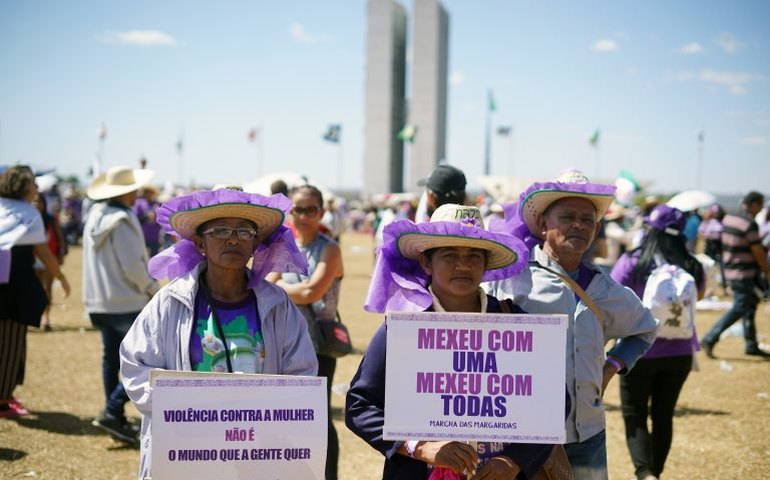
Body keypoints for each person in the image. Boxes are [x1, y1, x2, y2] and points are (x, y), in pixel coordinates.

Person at [346, 204, 559, 480]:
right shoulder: (404, 329)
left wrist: (515, 460)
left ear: (485, 263)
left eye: (474, 255)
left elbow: (554, 401)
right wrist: (419, 447)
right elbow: (360, 405)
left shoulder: (515, 324)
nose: (463, 265)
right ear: (426, 262)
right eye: (449, 255)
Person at [120, 186, 318, 480]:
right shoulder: (169, 301)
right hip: (188, 455)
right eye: (220, 230)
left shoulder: (278, 306)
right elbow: (135, 368)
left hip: (257, 457)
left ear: (255, 245)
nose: (233, 238)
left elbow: (302, 376)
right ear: (200, 243)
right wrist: (187, 407)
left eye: (245, 232)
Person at [488, 170, 658, 480]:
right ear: (542, 224)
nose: (578, 225)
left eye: (587, 219)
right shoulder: (512, 281)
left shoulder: (606, 289)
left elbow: (645, 329)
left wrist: (612, 366)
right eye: (567, 216)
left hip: (589, 435)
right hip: (526, 438)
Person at [610, 205, 705, 480]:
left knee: (635, 413)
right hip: (681, 351)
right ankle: (656, 473)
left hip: (638, 350)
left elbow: (613, 294)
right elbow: (698, 295)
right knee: (664, 415)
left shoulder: (635, 260)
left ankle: (645, 473)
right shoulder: (693, 264)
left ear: (652, 228)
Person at [267, 184, 343, 480]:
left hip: (319, 347)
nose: (303, 215)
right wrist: (285, 289)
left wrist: (279, 289)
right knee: (289, 418)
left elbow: (312, 292)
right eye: (298, 209)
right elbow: (263, 284)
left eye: (311, 209)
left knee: (319, 418)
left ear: (321, 212)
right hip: (285, 344)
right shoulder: (286, 246)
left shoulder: (330, 248)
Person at [82, 165, 160, 444]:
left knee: (111, 358)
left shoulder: (95, 215)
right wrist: (151, 288)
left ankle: (113, 416)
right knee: (145, 359)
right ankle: (112, 410)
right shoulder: (123, 220)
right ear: (128, 191)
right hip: (126, 300)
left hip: (99, 300)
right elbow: (132, 266)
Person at [1, 165, 71, 417]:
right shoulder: (29, 214)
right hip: (15, 285)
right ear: (22, 186)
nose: (37, 188)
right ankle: (3, 398)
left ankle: (5, 394)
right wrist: (61, 277)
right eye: (32, 183)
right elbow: (43, 252)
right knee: (12, 341)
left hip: (6, 280)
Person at [700, 191, 770, 358]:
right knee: (740, 307)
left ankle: (751, 344)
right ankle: (709, 338)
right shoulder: (749, 223)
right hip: (744, 273)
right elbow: (757, 251)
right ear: (753, 204)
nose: (760, 210)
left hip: (731, 269)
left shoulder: (730, 217)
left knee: (749, 307)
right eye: (760, 206)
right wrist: (767, 270)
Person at [33, 193, 68, 331]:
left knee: (46, 288)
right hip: (32, 259)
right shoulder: (27, 219)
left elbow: (60, 237)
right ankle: (36, 315)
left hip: (49, 258)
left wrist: (61, 254)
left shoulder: (51, 219)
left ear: (44, 204)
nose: (36, 204)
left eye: (39, 202)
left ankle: (45, 317)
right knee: (35, 289)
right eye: (34, 201)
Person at [132, 185, 163, 257]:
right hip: (142, 235)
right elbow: (135, 218)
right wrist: (146, 218)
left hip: (155, 236)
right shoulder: (139, 203)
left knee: (154, 256)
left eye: (151, 193)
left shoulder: (157, 203)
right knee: (141, 256)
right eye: (147, 192)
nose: (149, 194)